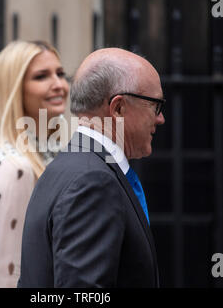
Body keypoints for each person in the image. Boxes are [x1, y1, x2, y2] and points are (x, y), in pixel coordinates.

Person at [18, 47, 165, 288]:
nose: (160, 118)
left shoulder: (66, 167)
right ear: (118, 108)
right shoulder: (93, 180)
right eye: (155, 105)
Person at [0, 40, 69, 288]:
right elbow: (9, 276)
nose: (59, 85)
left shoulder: (49, 154)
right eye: (41, 76)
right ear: (14, 89)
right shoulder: (16, 168)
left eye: (60, 73)